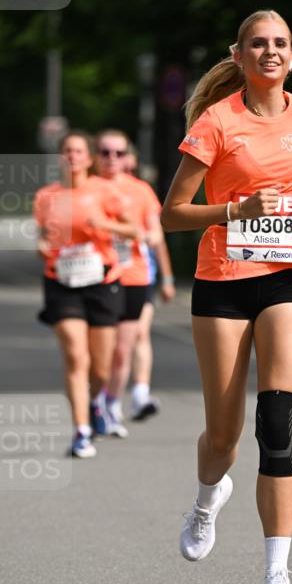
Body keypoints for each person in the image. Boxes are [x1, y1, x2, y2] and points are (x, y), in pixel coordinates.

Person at [161, 10, 292, 584]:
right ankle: (208, 499)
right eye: (258, 43)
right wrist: (235, 211)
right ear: (238, 56)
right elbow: (172, 213)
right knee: (224, 433)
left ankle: (276, 574)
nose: (270, 51)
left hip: (287, 274)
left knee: (277, 423)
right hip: (223, 282)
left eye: (281, 43)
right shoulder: (217, 121)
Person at [33, 130, 137, 458]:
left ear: (89, 158)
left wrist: (105, 225)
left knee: (101, 367)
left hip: (102, 283)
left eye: (78, 151)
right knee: (76, 357)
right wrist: (42, 247)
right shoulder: (47, 197)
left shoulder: (104, 191)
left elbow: (136, 230)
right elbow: (41, 237)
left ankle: (96, 402)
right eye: (67, 151)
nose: (72, 156)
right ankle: (80, 430)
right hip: (62, 283)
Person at [94, 129, 176, 437]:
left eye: (118, 153)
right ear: (95, 156)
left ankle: (114, 402)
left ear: (127, 156)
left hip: (135, 276)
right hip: (96, 278)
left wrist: (166, 276)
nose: (112, 159)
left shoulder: (140, 190)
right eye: (105, 153)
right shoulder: (85, 188)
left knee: (124, 347)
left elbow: (155, 235)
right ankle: (96, 400)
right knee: (99, 350)